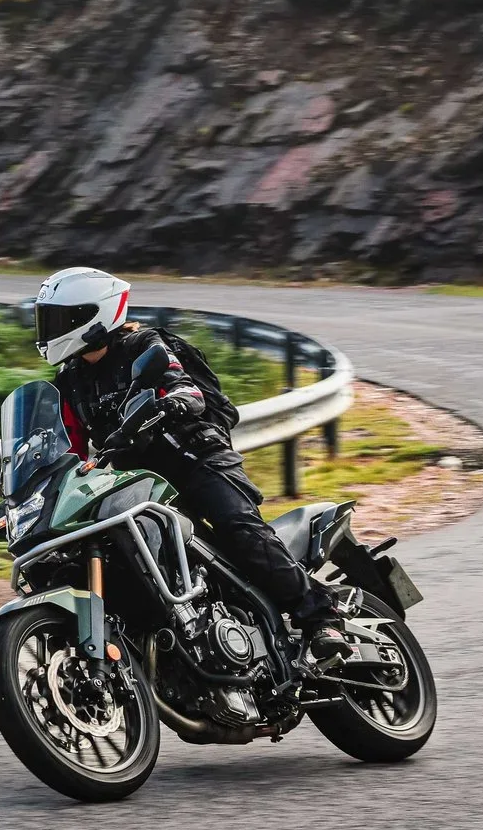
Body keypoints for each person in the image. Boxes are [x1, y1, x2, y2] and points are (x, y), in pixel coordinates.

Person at [32, 265, 348, 662]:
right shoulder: (70, 381)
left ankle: (321, 616)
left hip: (194, 457)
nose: (49, 329)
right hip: (137, 482)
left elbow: (182, 385)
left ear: (93, 314)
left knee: (238, 529)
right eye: (47, 319)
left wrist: (176, 401)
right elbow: (70, 448)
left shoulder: (143, 345)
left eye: (60, 319)